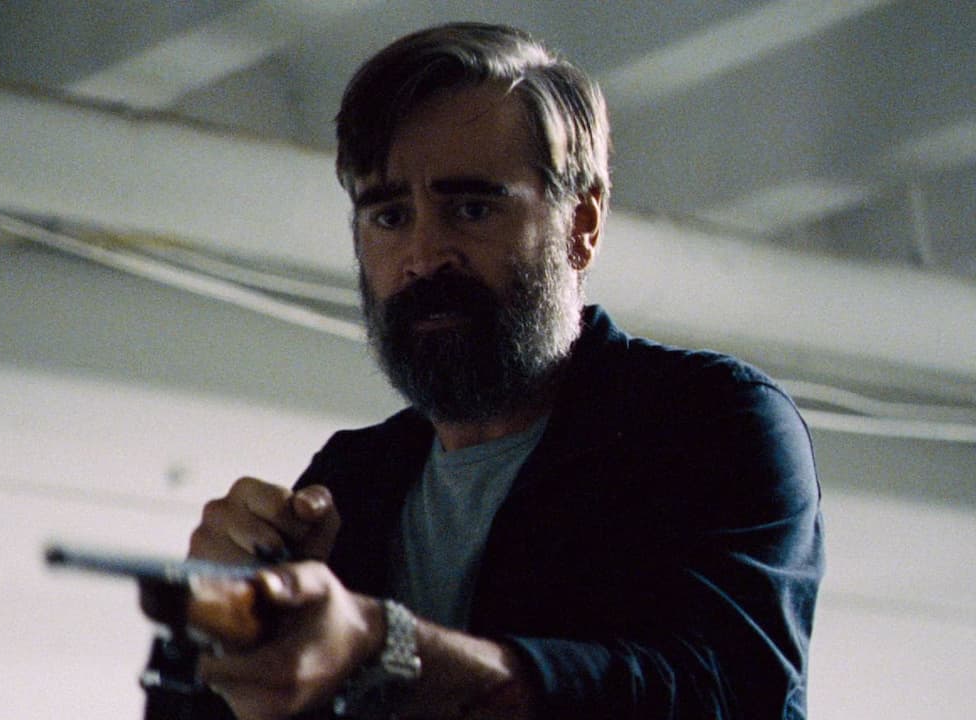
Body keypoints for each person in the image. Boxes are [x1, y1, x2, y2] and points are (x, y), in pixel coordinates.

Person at [183, 22, 823, 720]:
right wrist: (222, 624)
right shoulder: (351, 482)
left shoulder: (710, 425)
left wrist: (383, 647)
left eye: (472, 208)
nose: (425, 255)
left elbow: (725, 696)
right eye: (390, 216)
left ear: (582, 223)